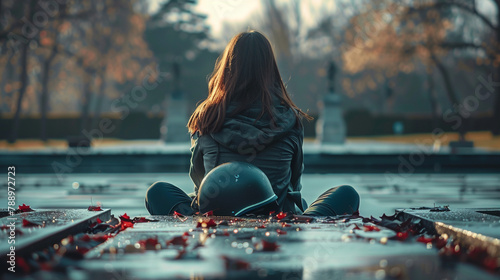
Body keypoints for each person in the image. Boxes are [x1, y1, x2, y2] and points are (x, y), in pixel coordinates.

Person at [145, 30, 360, 216]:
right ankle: (307, 219)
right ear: (270, 69)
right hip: (277, 214)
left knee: (156, 192)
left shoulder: (208, 117)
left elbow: (200, 182)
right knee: (346, 194)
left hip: (216, 212)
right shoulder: (290, 119)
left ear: (228, 69)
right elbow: (293, 184)